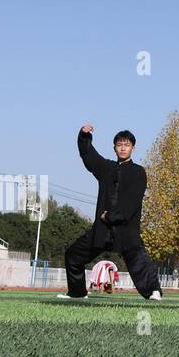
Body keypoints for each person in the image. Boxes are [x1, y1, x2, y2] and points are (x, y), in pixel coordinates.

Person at [58, 124, 162, 301]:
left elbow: (133, 201)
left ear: (133, 148)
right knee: (73, 255)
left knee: (139, 260)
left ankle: (154, 292)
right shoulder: (106, 168)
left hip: (125, 229)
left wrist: (111, 216)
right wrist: (84, 136)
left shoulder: (138, 172)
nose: (123, 148)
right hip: (102, 230)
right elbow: (89, 156)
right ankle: (77, 293)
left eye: (126, 145)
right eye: (119, 144)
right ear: (114, 148)